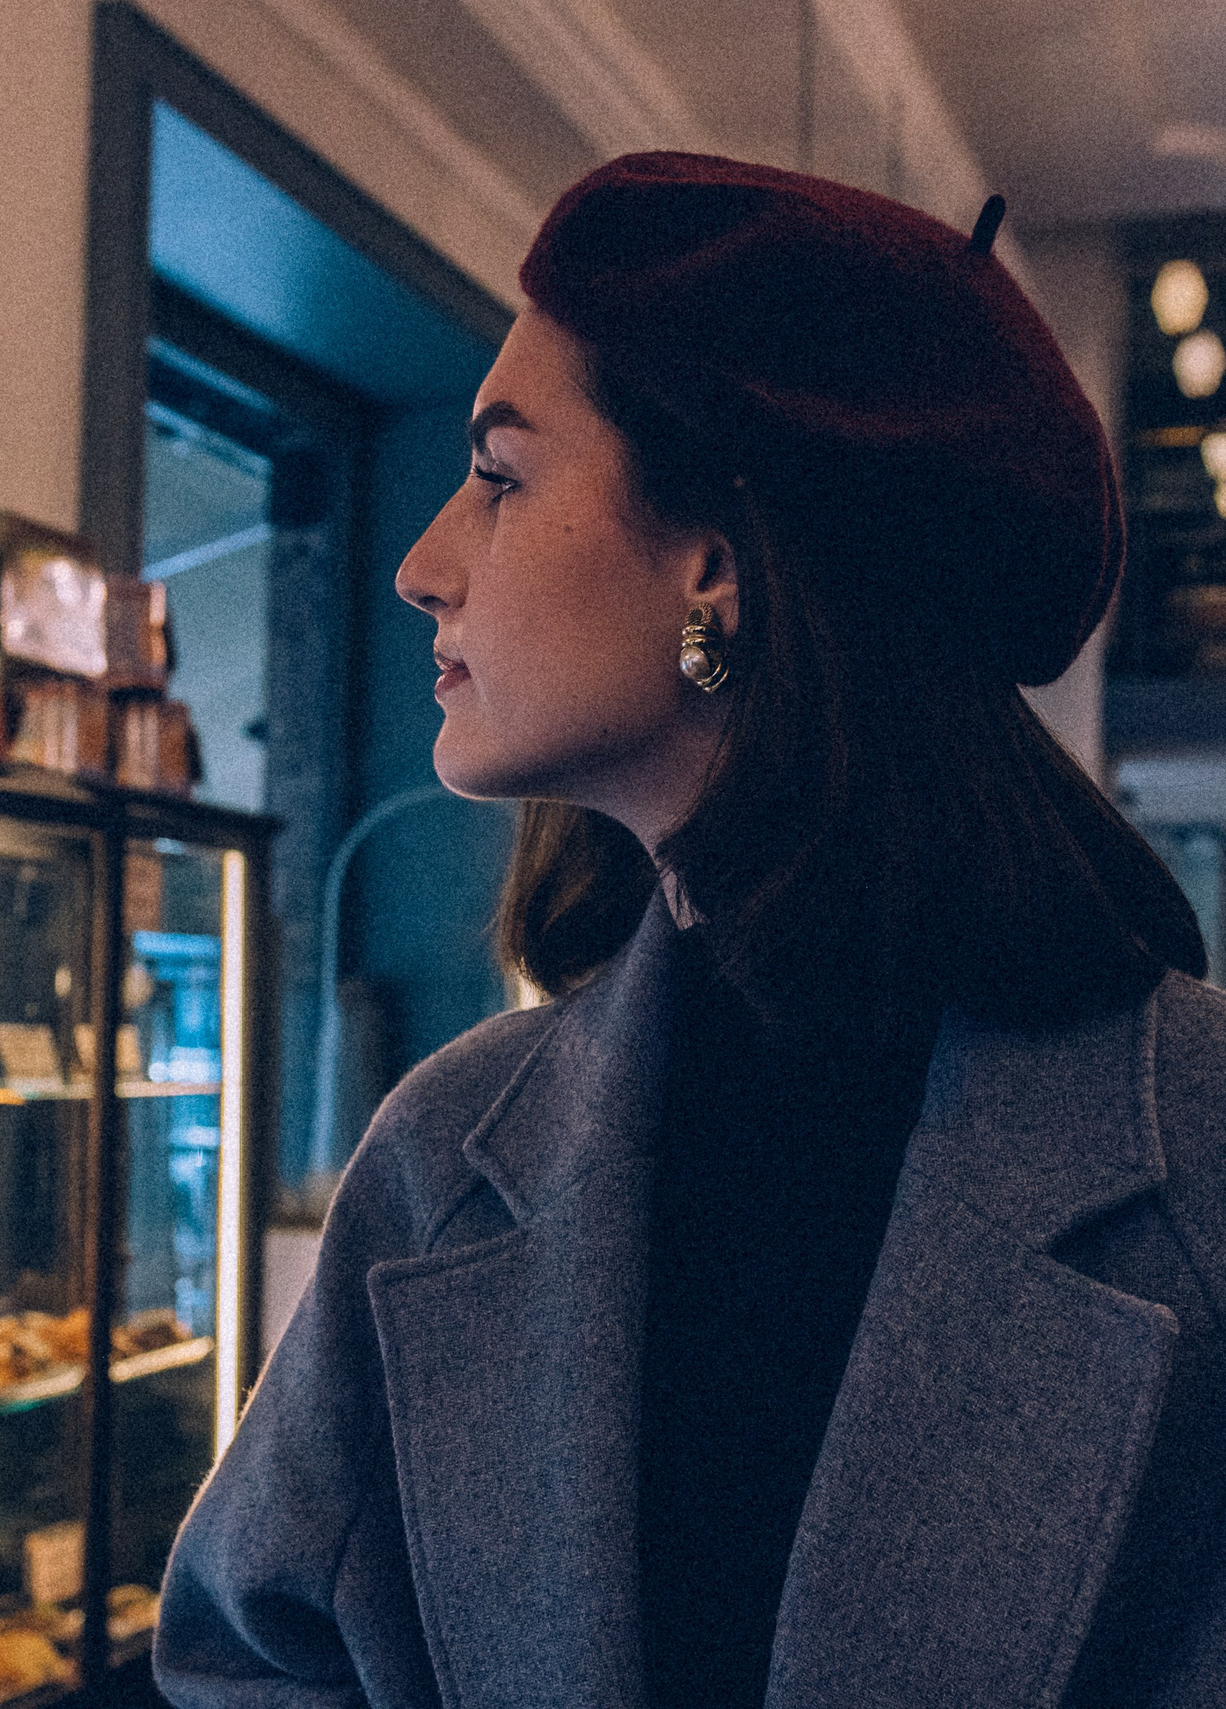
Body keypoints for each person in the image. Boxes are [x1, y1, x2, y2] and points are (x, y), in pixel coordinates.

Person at [153, 152, 1226, 1708]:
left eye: (501, 477)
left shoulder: (1195, 1148)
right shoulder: (445, 1154)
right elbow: (246, 1651)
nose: (421, 564)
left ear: (712, 570)